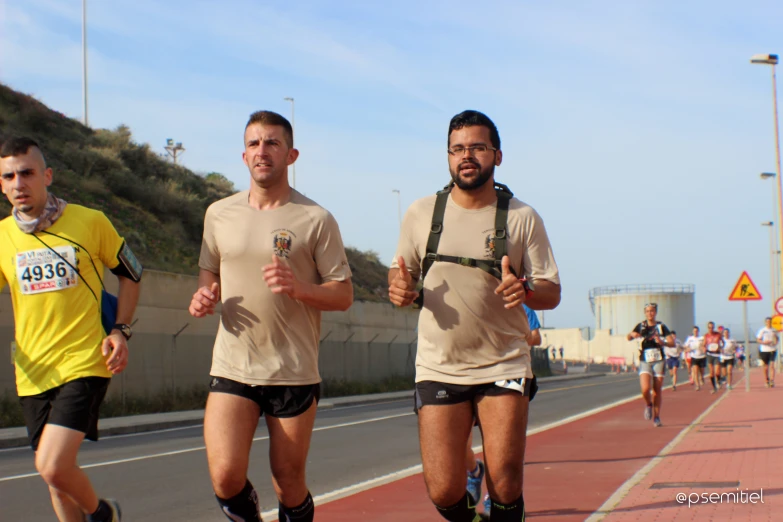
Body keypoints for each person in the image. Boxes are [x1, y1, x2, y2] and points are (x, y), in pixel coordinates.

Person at [388, 110, 561, 522]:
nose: (467, 156)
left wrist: (526, 290)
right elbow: (401, 270)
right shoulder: (421, 213)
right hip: (438, 365)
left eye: (478, 148)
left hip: (503, 361)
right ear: (448, 157)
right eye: (458, 149)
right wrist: (398, 285)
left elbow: (551, 292)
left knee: (506, 481)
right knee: (444, 491)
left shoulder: (522, 217)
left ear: (497, 156)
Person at [188, 111, 353, 522]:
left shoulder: (316, 219)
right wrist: (207, 293)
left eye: (272, 143)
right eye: (254, 143)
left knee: (288, 480)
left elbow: (344, 294)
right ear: (243, 155)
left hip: (292, 371)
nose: (262, 151)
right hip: (233, 363)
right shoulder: (218, 213)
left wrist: (299, 288)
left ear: (291, 155)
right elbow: (209, 268)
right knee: (225, 476)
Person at [0, 137, 143, 522]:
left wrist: (120, 331)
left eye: (27, 173)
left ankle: (102, 515)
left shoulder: (90, 221)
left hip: (84, 361)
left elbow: (132, 273)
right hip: (32, 374)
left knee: (52, 465)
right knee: (56, 480)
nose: (18, 183)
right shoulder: (2, 238)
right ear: (1, 184)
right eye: (9, 176)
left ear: (46, 176)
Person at [465, 305, 542, 517]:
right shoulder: (473, 299)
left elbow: (536, 337)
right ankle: (474, 472)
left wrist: (508, 338)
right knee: (458, 440)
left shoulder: (523, 307)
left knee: (498, 444)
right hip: (469, 374)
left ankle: (493, 495)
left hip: (506, 374)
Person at [626, 303, 674, 427]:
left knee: (657, 391)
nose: (650, 313)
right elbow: (628, 337)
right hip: (644, 360)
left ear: (656, 312)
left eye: (652, 311)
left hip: (659, 360)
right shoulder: (641, 326)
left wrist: (662, 342)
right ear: (645, 313)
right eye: (647, 311)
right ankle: (648, 404)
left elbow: (672, 343)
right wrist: (632, 334)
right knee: (645, 389)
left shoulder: (661, 326)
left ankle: (657, 417)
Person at [756, 317, 778, 388]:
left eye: (770, 321)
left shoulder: (774, 330)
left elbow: (777, 338)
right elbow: (758, 340)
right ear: (765, 322)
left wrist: (775, 342)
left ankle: (772, 380)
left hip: (772, 349)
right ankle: (766, 380)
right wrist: (764, 342)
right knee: (766, 366)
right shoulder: (762, 330)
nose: (769, 323)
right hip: (764, 350)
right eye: (767, 321)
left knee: (772, 365)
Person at [702, 322, 724, 394]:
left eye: (712, 327)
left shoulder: (718, 334)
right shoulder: (706, 336)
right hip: (709, 354)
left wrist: (721, 347)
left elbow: (723, 342)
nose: (711, 329)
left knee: (717, 372)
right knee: (711, 373)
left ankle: (718, 380)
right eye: (709, 327)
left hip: (717, 354)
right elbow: (703, 345)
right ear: (707, 328)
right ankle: (714, 388)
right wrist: (704, 348)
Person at [684, 326, 705, 390]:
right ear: (693, 332)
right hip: (694, 357)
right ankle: (697, 385)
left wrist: (703, 348)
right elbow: (685, 347)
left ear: (698, 331)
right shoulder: (690, 339)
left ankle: (701, 377)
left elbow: (705, 345)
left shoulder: (702, 338)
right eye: (694, 331)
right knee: (695, 371)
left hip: (702, 357)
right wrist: (688, 349)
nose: (695, 332)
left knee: (701, 372)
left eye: (696, 331)